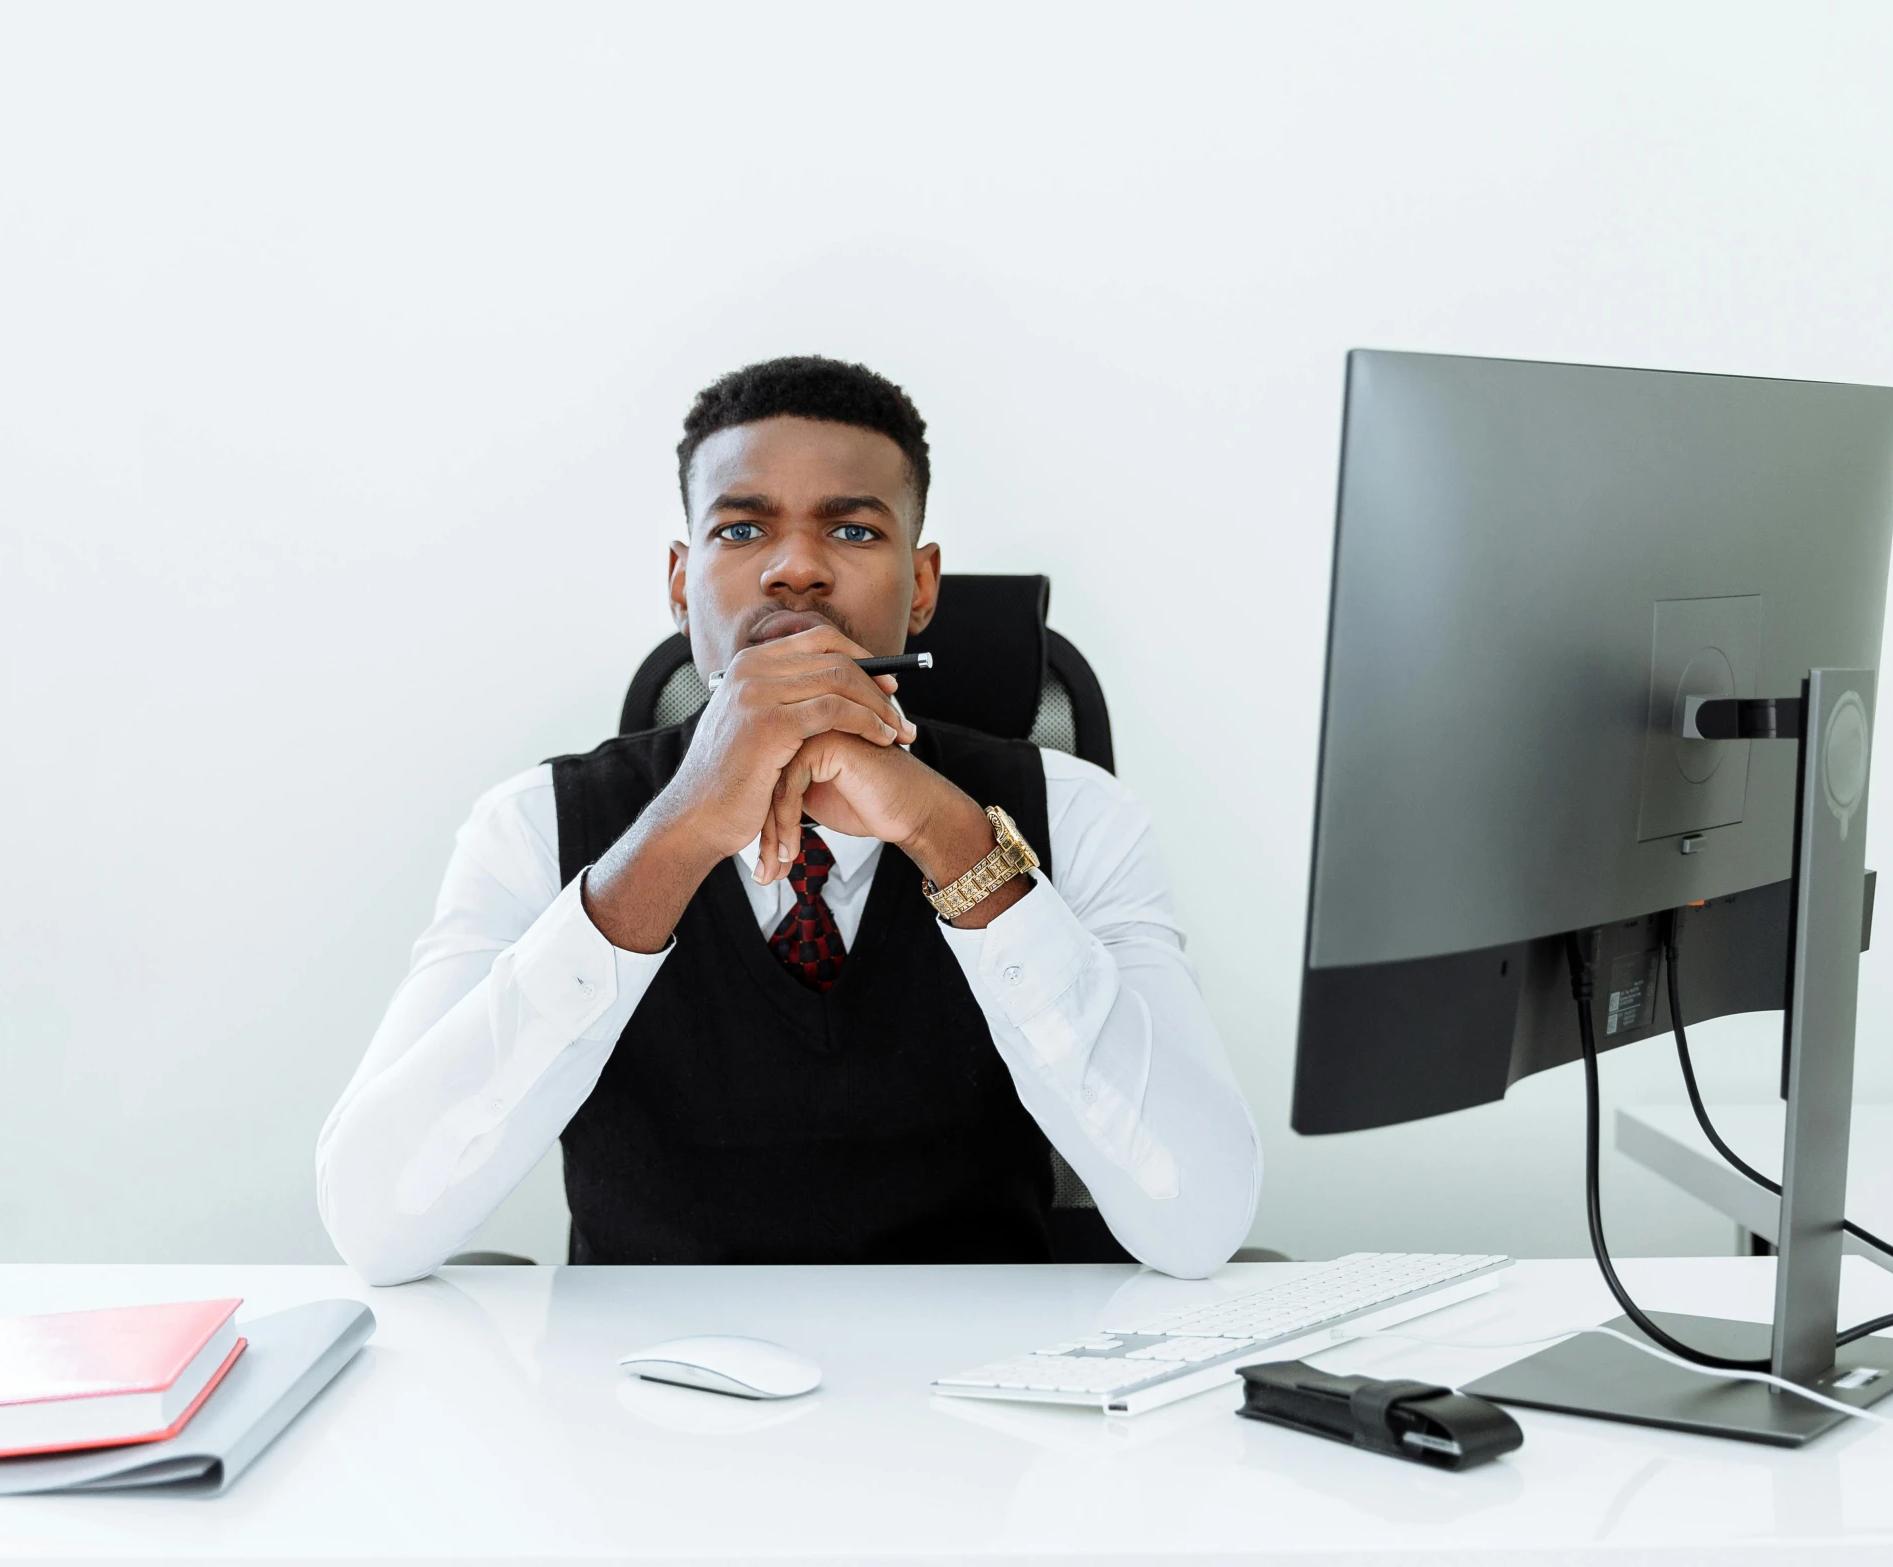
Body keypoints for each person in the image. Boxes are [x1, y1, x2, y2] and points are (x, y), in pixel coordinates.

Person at [316, 356, 1260, 1281]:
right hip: (631, 1400)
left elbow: (1203, 1222)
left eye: (852, 533)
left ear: (922, 586)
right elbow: (374, 1225)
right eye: (740, 531)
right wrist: (677, 836)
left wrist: (954, 842)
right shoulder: (530, 827)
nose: (797, 568)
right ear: (681, 582)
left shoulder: (1078, 816)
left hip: (978, 1394)